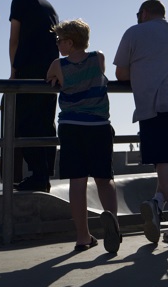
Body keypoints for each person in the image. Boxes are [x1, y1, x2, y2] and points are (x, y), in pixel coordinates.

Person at [114, 0, 168, 244]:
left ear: (144, 13)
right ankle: (157, 204)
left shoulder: (135, 32)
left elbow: (121, 74)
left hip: (156, 104)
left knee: (163, 160)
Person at [46, 19, 121, 253]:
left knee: (77, 183)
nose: (57, 44)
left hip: (71, 127)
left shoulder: (58, 64)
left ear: (69, 42)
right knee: (104, 179)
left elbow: (50, 78)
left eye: (59, 40)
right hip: (98, 125)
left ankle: (82, 237)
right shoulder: (97, 57)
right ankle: (113, 223)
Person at [9, 0, 59, 192]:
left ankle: (37, 175)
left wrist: (13, 71)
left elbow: (14, 39)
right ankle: (43, 173)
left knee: (25, 122)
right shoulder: (49, 6)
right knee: (46, 122)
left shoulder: (20, 2)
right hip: (50, 72)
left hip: (28, 70)